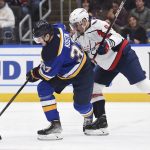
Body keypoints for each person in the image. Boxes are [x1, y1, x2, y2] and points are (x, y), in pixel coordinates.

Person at [69, 8, 150, 135]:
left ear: (84, 21)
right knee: (94, 87)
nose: (75, 28)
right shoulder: (76, 37)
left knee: (143, 86)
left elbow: (117, 38)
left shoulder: (98, 25)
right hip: (106, 65)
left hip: (123, 56)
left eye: (76, 25)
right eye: (73, 25)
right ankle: (102, 122)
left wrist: (107, 44)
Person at [26, 20, 94, 140]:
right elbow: (62, 25)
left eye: (39, 39)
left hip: (82, 71)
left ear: (47, 36)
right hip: (64, 69)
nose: (39, 42)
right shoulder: (56, 28)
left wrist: (34, 73)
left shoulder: (52, 52)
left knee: (80, 106)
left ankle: (88, 116)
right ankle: (55, 124)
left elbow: (47, 74)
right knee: (43, 88)